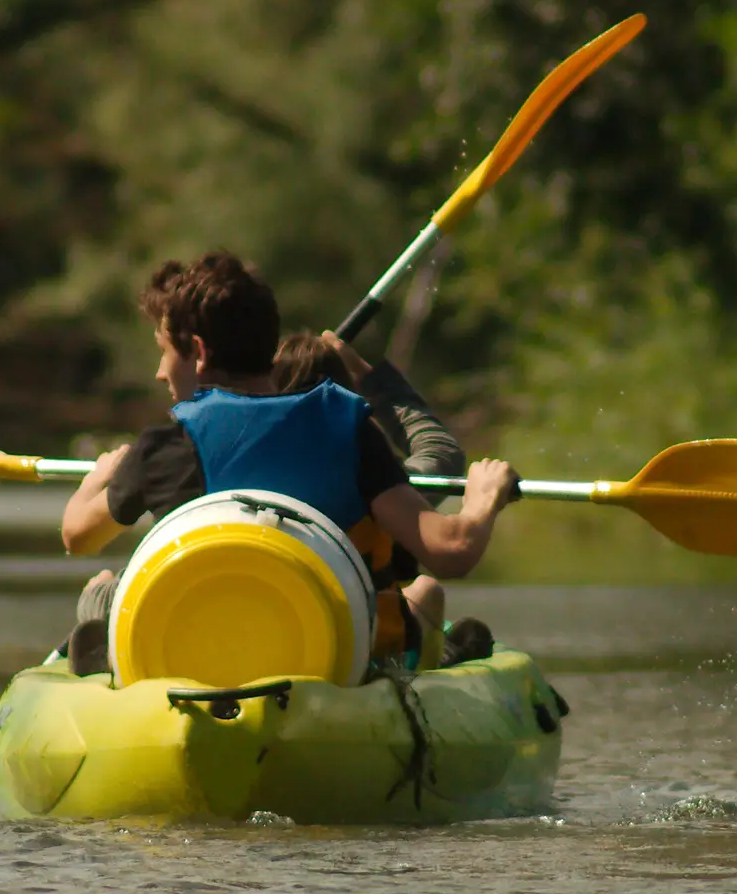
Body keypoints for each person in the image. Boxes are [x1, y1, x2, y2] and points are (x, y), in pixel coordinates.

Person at [60, 252, 520, 677]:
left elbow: (78, 536)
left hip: (190, 650)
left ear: (198, 352)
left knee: (101, 588)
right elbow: (452, 550)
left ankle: (112, 667)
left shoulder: (164, 446)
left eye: (165, 351)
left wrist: (98, 478)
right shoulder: (348, 428)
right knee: (419, 594)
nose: (161, 372)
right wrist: (483, 499)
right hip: (329, 654)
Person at [272, 329, 499, 668]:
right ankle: (430, 663)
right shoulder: (377, 482)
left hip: (271, 629)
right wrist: (486, 496)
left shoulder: (223, 465)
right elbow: (439, 451)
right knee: (425, 591)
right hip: (349, 646)